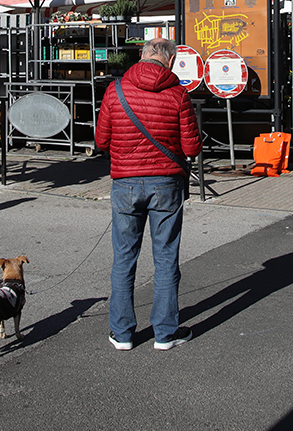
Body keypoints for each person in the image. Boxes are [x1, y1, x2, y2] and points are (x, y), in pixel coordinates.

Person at [95, 37, 200, 351]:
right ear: (169, 61)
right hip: (166, 184)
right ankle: (165, 333)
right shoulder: (178, 94)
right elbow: (192, 147)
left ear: (141, 57)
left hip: (125, 183)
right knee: (166, 258)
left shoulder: (115, 91)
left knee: (124, 258)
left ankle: (122, 333)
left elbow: (101, 141)